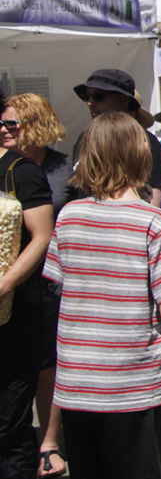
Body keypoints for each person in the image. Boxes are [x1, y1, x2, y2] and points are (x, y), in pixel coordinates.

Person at [42, 113, 161, 479]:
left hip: (77, 384)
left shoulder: (68, 217)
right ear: (142, 156)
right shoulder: (157, 223)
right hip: (134, 386)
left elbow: (59, 280)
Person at [4, 94, 70, 477]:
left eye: (14, 123)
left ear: (35, 123)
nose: (6, 130)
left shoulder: (63, 169)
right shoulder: (4, 165)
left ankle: (49, 441)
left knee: (48, 366)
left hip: (51, 281)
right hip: (15, 282)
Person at [71, 68, 161, 200]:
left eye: (99, 96)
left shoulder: (146, 143)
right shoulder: (84, 139)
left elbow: (154, 202)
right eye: (87, 96)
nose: (90, 102)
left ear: (124, 99)